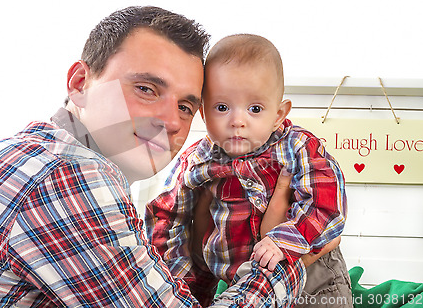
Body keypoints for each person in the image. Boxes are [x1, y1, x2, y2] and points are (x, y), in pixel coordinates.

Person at [0, 7, 305, 307]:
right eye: (146, 88)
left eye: (187, 107)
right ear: (79, 84)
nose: (172, 122)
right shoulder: (69, 177)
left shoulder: (28, 150)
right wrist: (285, 252)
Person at [145, 34, 353, 307]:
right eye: (222, 107)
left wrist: (282, 241)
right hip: (239, 283)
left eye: (255, 108)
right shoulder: (197, 159)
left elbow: (327, 204)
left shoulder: (297, 147)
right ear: (204, 113)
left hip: (312, 273)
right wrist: (182, 280)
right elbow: (167, 215)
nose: (237, 121)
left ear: (278, 114)